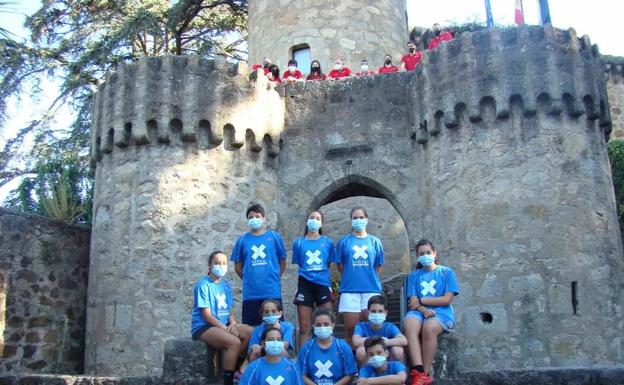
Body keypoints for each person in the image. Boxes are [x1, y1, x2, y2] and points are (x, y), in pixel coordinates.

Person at [191, 250, 253, 385]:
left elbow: (230, 310)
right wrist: (226, 329)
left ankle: (236, 368)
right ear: (210, 265)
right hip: (204, 326)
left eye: (224, 263)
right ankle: (228, 381)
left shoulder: (226, 286)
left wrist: (233, 324)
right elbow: (206, 315)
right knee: (234, 342)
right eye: (217, 263)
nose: (221, 266)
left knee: (252, 332)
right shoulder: (203, 285)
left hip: (224, 325)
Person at [403, 239, 459, 385]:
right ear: (417, 256)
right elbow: (413, 302)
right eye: (421, 253)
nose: (425, 255)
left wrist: (423, 301)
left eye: (428, 252)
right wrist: (422, 309)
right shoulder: (414, 276)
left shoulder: (446, 272)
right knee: (409, 324)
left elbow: (446, 300)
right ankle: (418, 369)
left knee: (429, 328)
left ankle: (425, 374)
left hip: (442, 312)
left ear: (434, 254)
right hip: (419, 311)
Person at [334, 206, 384, 348]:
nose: (358, 220)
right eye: (355, 217)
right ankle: (352, 363)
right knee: (351, 329)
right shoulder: (344, 242)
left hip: (371, 289)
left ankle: (371, 360)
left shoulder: (375, 242)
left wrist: (367, 276)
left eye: (361, 217)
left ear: (366, 219)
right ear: (351, 220)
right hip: (350, 290)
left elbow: (378, 265)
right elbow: (340, 266)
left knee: (373, 328)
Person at [231, 202, 287, 326]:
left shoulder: (274, 237)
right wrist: (249, 279)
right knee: (251, 330)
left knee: (275, 328)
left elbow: (282, 261)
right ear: (247, 220)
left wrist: (275, 277)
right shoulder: (242, 240)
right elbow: (237, 266)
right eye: (251, 217)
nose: (254, 219)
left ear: (264, 218)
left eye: (257, 216)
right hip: (251, 294)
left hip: (272, 291)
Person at [292, 210, 335, 349]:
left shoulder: (328, 242)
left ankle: (328, 354)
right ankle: (303, 360)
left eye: (317, 218)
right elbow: (300, 262)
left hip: (323, 284)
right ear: (307, 221)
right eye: (312, 218)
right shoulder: (298, 242)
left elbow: (328, 263)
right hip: (305, 283)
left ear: (321, 223)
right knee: (304, 326)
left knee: (326, 323)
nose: (314, 220)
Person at [298, 308, 357, 385]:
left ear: (332, 325)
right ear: (313, 326)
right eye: (318, 325)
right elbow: (301, 375)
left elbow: (350, 375)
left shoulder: (343, 347)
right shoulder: (306, 348)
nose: (322, 327)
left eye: (326, 324)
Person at [353, 295, 407, 367]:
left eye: (380, 311)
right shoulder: (361, 326)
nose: (377, 314)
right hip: (370, 356)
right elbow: (355, 341)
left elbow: (403, 340)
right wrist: (378, 341)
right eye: (373, 311)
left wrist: (384, 342)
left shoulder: (389, 327)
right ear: (368, 313)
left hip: (386, 357)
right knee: (360, 351)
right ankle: (364, 375)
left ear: (386, 313)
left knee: (398, 351)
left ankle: (398, 373)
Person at [239, 327, 304, 385]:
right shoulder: (253, 367)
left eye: (278, 339)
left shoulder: (293, 366)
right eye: (271, 339)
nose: (275, 342)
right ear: (263, 344)